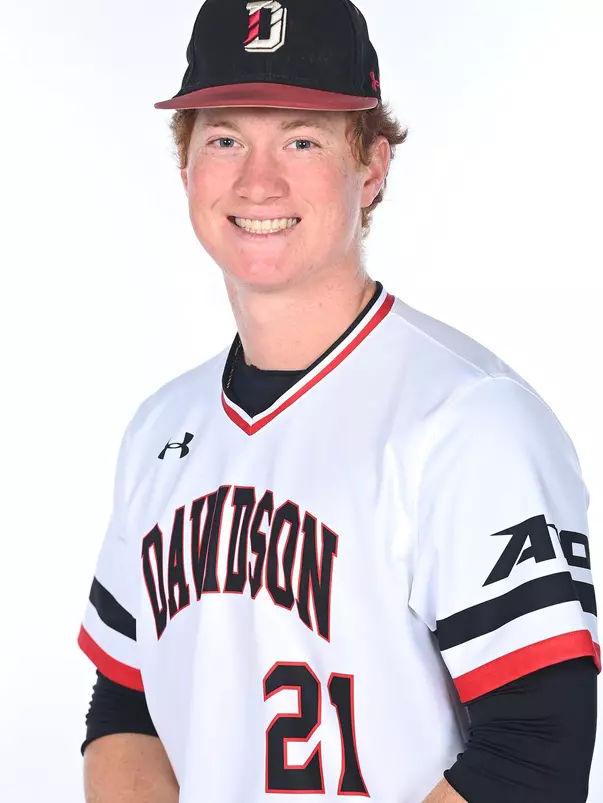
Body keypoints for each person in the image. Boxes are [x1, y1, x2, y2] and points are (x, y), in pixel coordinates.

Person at [78, 1, 599, 801]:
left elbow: (536, 749)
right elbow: (126, 698)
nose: (258, 180)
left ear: (372, 166)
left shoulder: (470, 420)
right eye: (224, 138)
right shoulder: (160, 429)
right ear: (185, 167)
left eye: (301, 138)